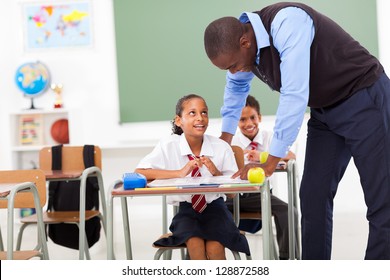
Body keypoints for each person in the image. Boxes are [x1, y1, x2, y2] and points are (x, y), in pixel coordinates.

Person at [204, 2, 390, 260]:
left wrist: (271, 161)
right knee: (313, 196)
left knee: (382, 200)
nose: (234, 72)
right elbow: (235, 90)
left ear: (245, 42)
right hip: (325, 110)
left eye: (233, 65)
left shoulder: (287, 22)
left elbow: (294, 95)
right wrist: (223, 140)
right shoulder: (242, 48)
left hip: (364, 97)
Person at [135, 94, 250, 260]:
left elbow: (232, 194)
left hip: (216, 209)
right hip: (187, 211)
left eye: (204, 112)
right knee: (195, 245)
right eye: (192, 113)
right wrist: (179, 173)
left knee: (215, 247)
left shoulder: (221, 147)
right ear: (178, 120)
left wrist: (216, 173)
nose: (200, 118)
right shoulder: (168, 145)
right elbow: (140, 172)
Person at [225, 94, 298, 260]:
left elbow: (291, 156)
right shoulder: (232, 142)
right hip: (234, 197)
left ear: (260, 117)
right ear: (237, 122)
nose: (249, 123)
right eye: (243, 120)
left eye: (253, 118)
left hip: (261, 196)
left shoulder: (269, 137)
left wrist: (263, 156)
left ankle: (287, 259)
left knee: (288, 211)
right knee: (210, 212)